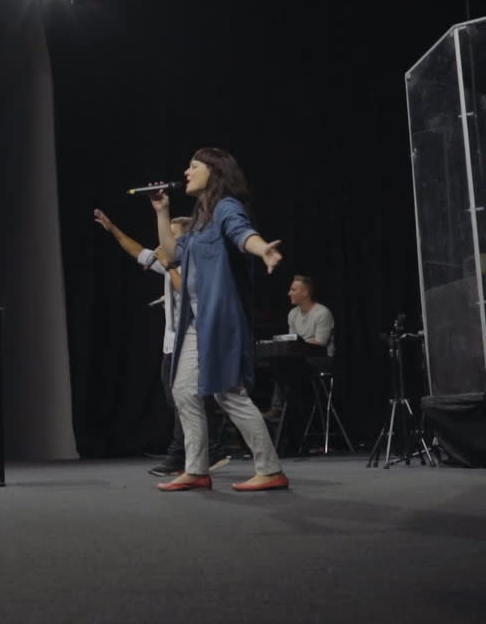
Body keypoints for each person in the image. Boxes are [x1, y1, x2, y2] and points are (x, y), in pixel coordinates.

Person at [151, 148, 290, 492]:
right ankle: (197, 469)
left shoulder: (227, 208)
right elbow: (172, 253)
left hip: (221, 318)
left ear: (214, 172)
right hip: (197, 321)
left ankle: (270, 469)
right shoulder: (200, 218)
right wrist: (162, 212)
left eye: (193, 166)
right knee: (183, 389)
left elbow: (243, 234)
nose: (186, 172)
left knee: (228, 393)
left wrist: (263, 250)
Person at [93, 209, 231, 476]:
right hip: (172, 343)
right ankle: (207, 447)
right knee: (175, 399)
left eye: (173, 235)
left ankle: (183, 454)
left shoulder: (195, 264)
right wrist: (113, 229)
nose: (165, 239)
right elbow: (137, 252)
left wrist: (168, 263)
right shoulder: (171, 263)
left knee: (187, 397)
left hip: (194, 341)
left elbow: (188, 291)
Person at [265, 275, 336, 421]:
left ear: (305, 292)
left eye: (293, 290)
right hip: (302, 357)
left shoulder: (322, 313)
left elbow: (321, 343)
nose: (289, 293)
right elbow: (292, 342)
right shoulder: (292, 314)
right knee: (280, 365)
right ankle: (284, 409)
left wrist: (302, 343)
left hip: (322, 359)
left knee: (290, 367)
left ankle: (288, 409)